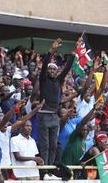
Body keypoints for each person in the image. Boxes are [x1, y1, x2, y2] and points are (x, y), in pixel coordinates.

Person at [37, 38, 75, 173]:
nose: (52, 71)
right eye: (50, 69)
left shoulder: (58, 80)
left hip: (54, 116)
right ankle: (44, 170)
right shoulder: (43, 79)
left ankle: (51, 168)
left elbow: (66, 69)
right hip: (43, 115)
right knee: (45, 144)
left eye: (54, 69)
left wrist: (74, 54)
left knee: (54, 144)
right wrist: (51, 50)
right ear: (47, 71)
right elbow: (45, 63)